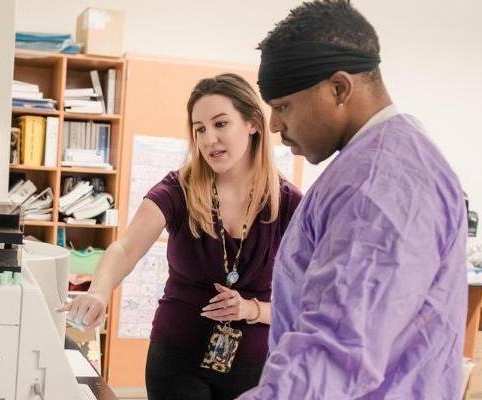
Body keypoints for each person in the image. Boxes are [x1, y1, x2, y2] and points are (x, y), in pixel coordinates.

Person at [237, 1, 467, 399]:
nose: (274, 125)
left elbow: (336, 354)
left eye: (282, 106)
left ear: (339, 88)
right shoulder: (385, 158)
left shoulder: (379, 183)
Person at [61, 73, 302, 400]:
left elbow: (310, 301)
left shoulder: (289, 203)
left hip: (256, 366)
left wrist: (251, 310)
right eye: (199, 128)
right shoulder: (178, 189)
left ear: (253, 124)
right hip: (177, 357)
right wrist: (99, 292)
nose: (208, 139)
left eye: (220, 124)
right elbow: (125, 248)